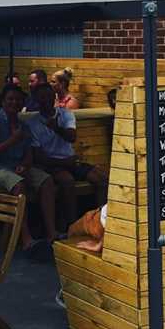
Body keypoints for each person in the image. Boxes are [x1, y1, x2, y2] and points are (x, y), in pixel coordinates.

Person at [0, 84, 56, 257]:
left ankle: (52, 233)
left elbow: (29, 152)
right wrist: (12, 140)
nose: (14, 103)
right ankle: (26, 238)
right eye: (10, 99)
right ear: (3, 101)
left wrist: (26, 165)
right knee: (19, 184)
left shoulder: (23, 124)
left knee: (46, 180)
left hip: (17, 167)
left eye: (18, 99)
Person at [26, 84, 108, 229]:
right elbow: (39, 158)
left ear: (54, 98)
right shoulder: (32, 123)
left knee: (101, 178)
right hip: (51, 164)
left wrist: (56, 128)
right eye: (42, 97)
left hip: (70, 160)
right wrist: (65, 162)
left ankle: (100, 221)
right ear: (37, 100)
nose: (46, 100)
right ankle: (72, 225)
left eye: (49, 96)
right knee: (67, 180)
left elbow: (71, 137)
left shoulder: (65, 114)